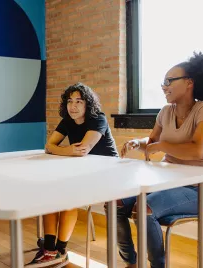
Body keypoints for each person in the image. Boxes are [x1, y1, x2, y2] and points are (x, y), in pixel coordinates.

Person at [118, 52, 203, 268]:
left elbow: (198, 151)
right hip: (163, 183)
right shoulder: (165, 112)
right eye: (163, 82)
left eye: (169, 81)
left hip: (195, 190)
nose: (164, 86)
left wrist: (161, 146)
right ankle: (131, 263)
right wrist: (137, 142)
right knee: (115, 202)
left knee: (144, 207)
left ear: (189, 82)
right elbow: (152, 141)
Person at [26, 82, 118, 267]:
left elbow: (82, 149)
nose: (73, 106)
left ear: (88, 104)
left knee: (67, 195)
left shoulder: (98, 118)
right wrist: (68, 150)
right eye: (69, 101)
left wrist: (61, 150)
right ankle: (50, 249)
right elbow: (49, 146)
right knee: (50, 192)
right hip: (81, 169)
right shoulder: (68, 120)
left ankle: (60, 250)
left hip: (108, 172)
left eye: (79, 101)